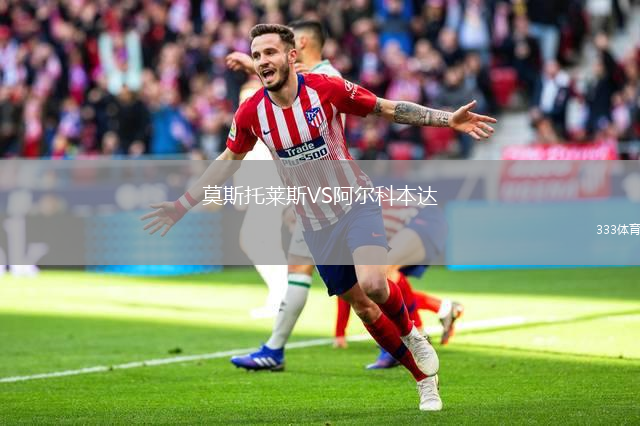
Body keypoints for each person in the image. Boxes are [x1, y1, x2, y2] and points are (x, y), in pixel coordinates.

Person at [142, 24, 496, 411]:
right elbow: (228, 160)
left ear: (292, 55)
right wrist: (182, 205)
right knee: (363, 307)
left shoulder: (325, 89)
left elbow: (386, 108)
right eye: (257, 55)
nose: (262, 61)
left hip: (356, 203)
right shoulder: (251, 112)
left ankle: (412, 334)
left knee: (374, 284)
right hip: (315, 225)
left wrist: (447, 120)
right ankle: (424, 380)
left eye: (270, 52)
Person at [224, 20, 342, 319]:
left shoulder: (326, 77)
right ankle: (280, 303)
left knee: (260, 237)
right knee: (262, 238)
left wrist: (251, 65)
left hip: (318, 176)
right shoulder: (308, 78)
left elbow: (297, 85)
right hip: (302, 175)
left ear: (300, 44)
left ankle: (280, 300)